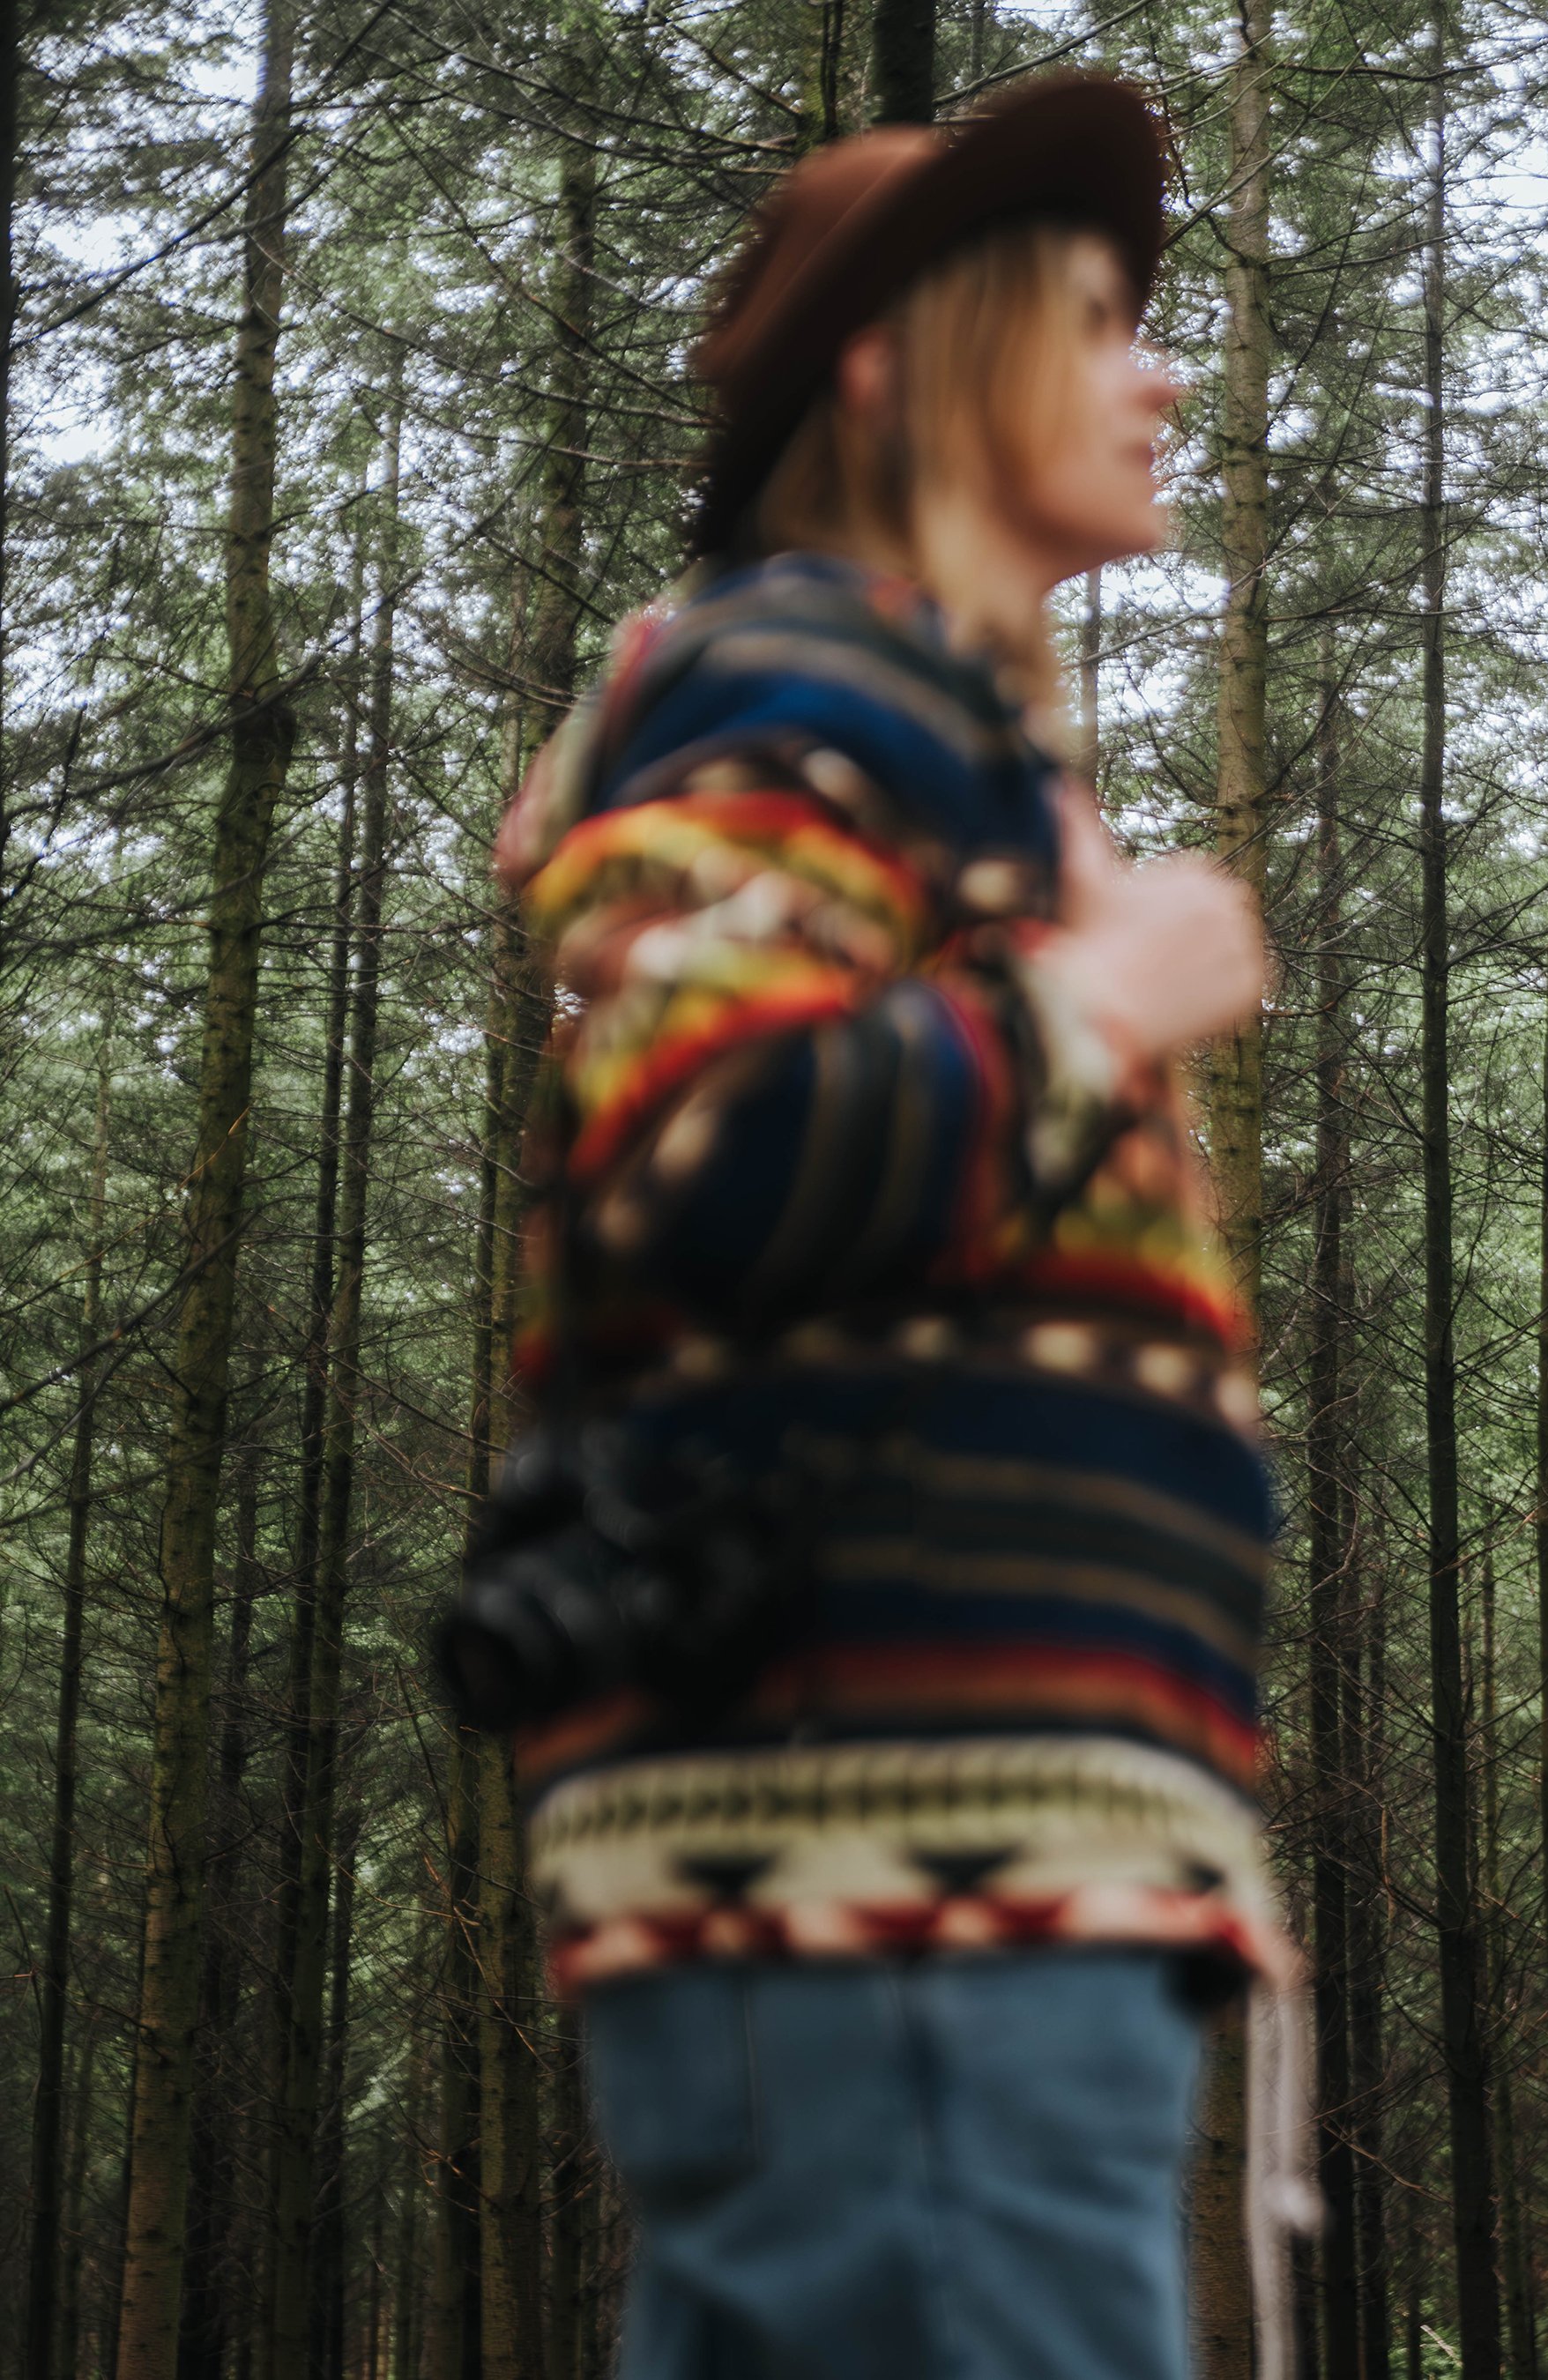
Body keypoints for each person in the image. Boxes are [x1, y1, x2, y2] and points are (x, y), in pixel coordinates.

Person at [476, 71, 1306, 2380]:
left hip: (940, 1878)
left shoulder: (909, 725)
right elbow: (699, 1151)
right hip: (897, 1896)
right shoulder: (794, 675)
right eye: (1098, 317)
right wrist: (1093, 999)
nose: (1160, 372)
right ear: (895, 363)